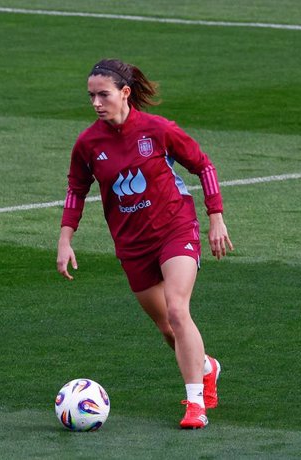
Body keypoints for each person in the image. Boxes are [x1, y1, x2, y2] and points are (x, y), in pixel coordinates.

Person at [56, 58, 233, 429]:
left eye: (102, 95)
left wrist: (215, 217)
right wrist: (65, 238)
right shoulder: (88, 144)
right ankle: (206, 367)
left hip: (175, 229)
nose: (95, 103)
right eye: (90, 96)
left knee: (177, 310)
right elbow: (76, 189)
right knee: (168, 330)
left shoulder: (157, 130)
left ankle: (195, 404)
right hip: (132, 246)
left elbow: (203, 165)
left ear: (124, 93)